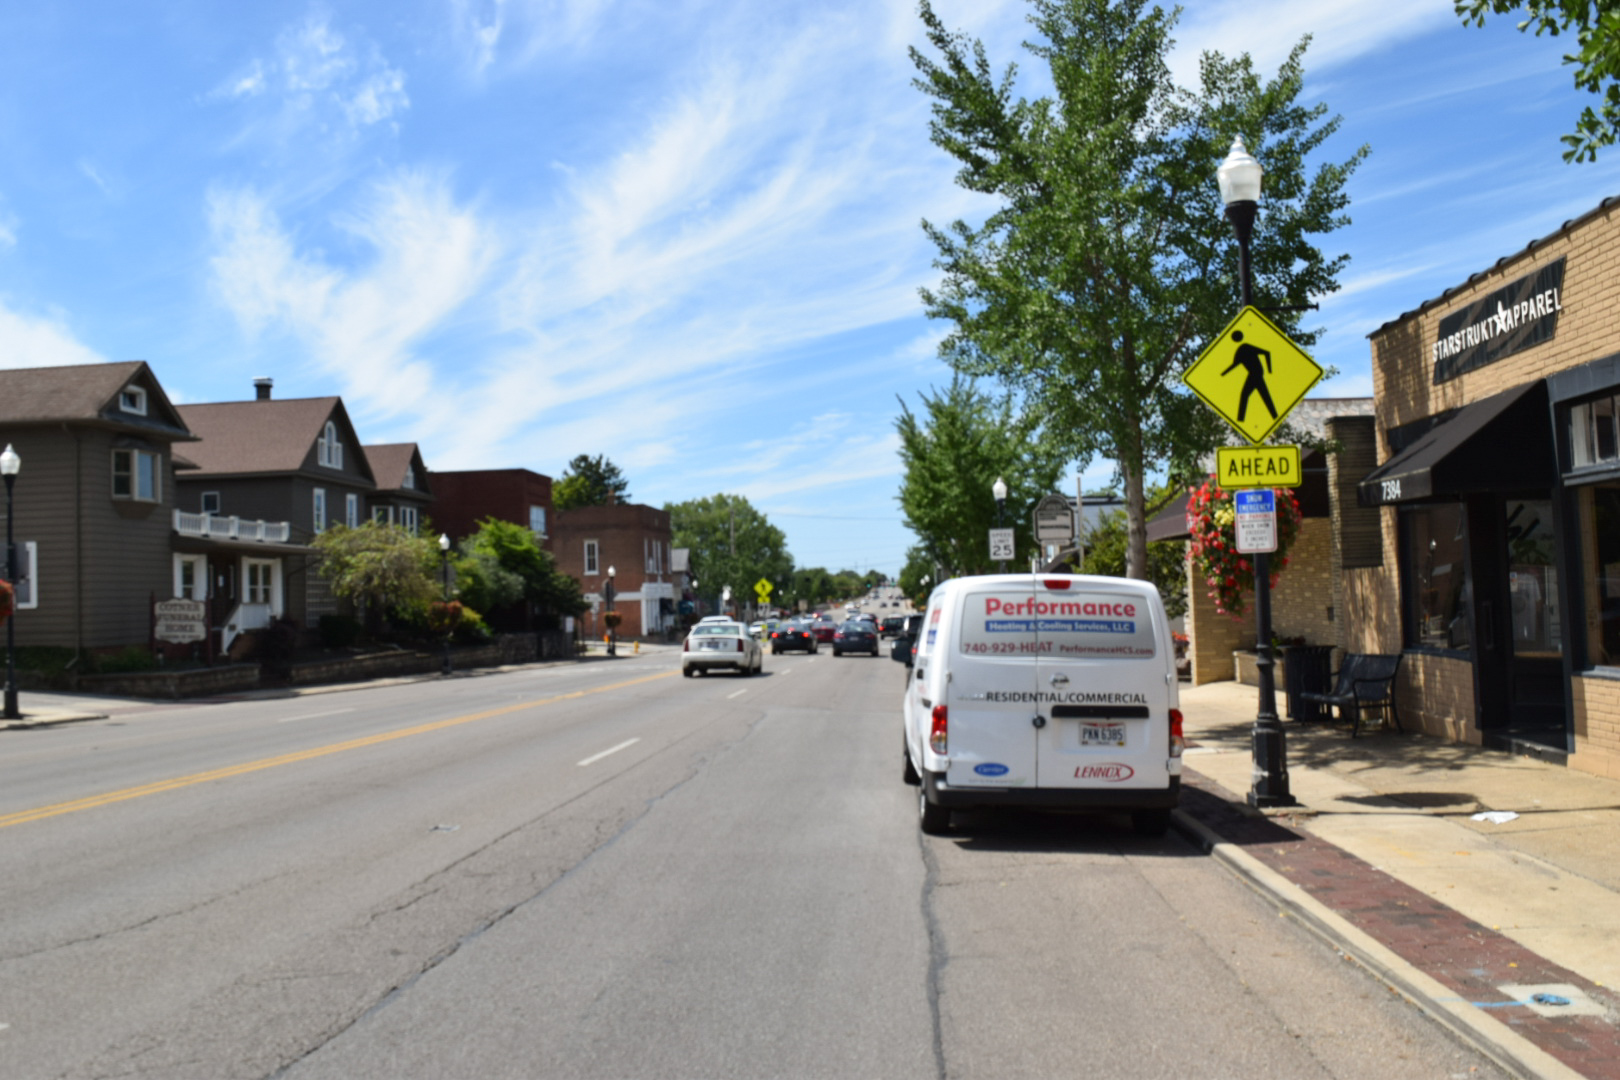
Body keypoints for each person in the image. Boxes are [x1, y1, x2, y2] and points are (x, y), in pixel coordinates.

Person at [1221, 330, 1277, 423]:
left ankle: (1241, 419)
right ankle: (1274, 415)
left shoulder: (1245, 347)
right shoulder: (1240, 350)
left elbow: (1267, 353)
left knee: (1246, 395)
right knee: (1263, 396)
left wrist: (1270, 369)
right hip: (1255, 374)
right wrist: (1223, 374)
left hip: (1256, 373)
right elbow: (1234, 365)